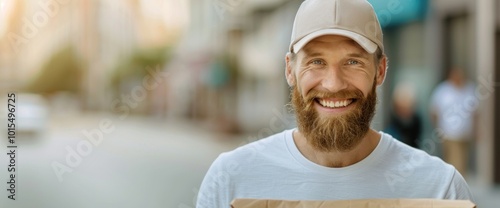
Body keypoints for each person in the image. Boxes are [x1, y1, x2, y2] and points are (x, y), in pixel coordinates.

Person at [197, 0, 474, 207]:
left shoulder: (440, 188)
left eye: (353, 62)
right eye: (316, 62)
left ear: (380, 70)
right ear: (289, 70)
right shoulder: (230, 179)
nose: (333, 84)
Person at [430, 67, 477, 178]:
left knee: (462, 160)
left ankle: (457, 182)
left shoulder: (469, 89)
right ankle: (456, 185)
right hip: (449, 133)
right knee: (456, 161)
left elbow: (475, 112)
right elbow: (434, 110)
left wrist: (476, 129)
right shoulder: (443, 90)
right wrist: (438, 127)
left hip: (465, 134)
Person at [385, 83, 422, 148]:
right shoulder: (391, 131)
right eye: (402, 108)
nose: (406, 112)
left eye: (409, 107)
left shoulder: (416, 122)